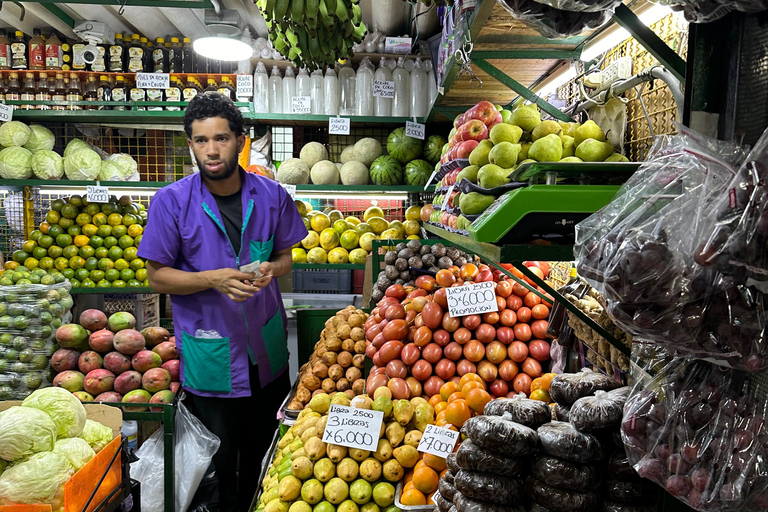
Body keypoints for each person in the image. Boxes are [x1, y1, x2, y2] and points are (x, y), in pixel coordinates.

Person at [138, 92, 307, 511]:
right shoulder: (171, 202)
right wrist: (212, 279)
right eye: (201, 140)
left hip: (267, 360)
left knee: (267, 465)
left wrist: (272, 269)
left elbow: (285, 257)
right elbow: (157, 276)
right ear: (191, 144)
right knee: (217, 470)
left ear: (240, 141)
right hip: (211, 359)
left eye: (221, 138)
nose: (211, 150)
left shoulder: (272, 196)